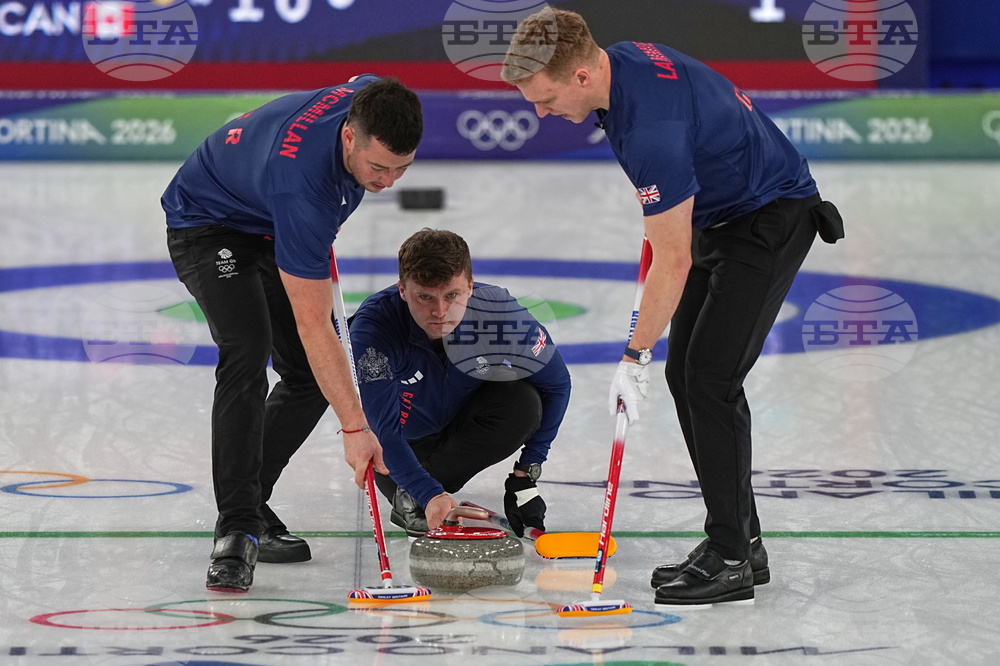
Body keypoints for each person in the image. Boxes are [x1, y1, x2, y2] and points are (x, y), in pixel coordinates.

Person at [503, 10, 843, 606]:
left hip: (768, 219)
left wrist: (633, 355)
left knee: (710, 378)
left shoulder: (647, 128)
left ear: (581, 76)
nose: (541, 111)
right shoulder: (625, 62)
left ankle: (732, 558)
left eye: (547, 97)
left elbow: (673, 258)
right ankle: (742, 540)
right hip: (719, 213)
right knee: (687, 376)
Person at [161, 76, 424, 592]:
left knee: (306, 375)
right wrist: (355, 430)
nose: (389, 182)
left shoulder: (372, 97)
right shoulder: (306, 189)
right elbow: (313, 326)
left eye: (402, 168)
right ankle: (236, 527)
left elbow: (356, 83)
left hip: (270, 215)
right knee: (247, 349)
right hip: (210, 222)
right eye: (378, 168)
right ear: (349, 137)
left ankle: (252, 502)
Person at [348, 228, 572, 537]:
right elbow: (383, 430)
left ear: (470, 286)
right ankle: (411, 491)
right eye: (424, 297)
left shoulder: (499, 314)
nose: (440, 312)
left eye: (451, 295)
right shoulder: (373, 330)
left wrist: (526, 474)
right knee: (391, 449)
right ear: (402, 289)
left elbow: (557, 385)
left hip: (468, 421)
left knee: (523, 400)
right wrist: (426, 492)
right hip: (400, 449)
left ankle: (416, 492)